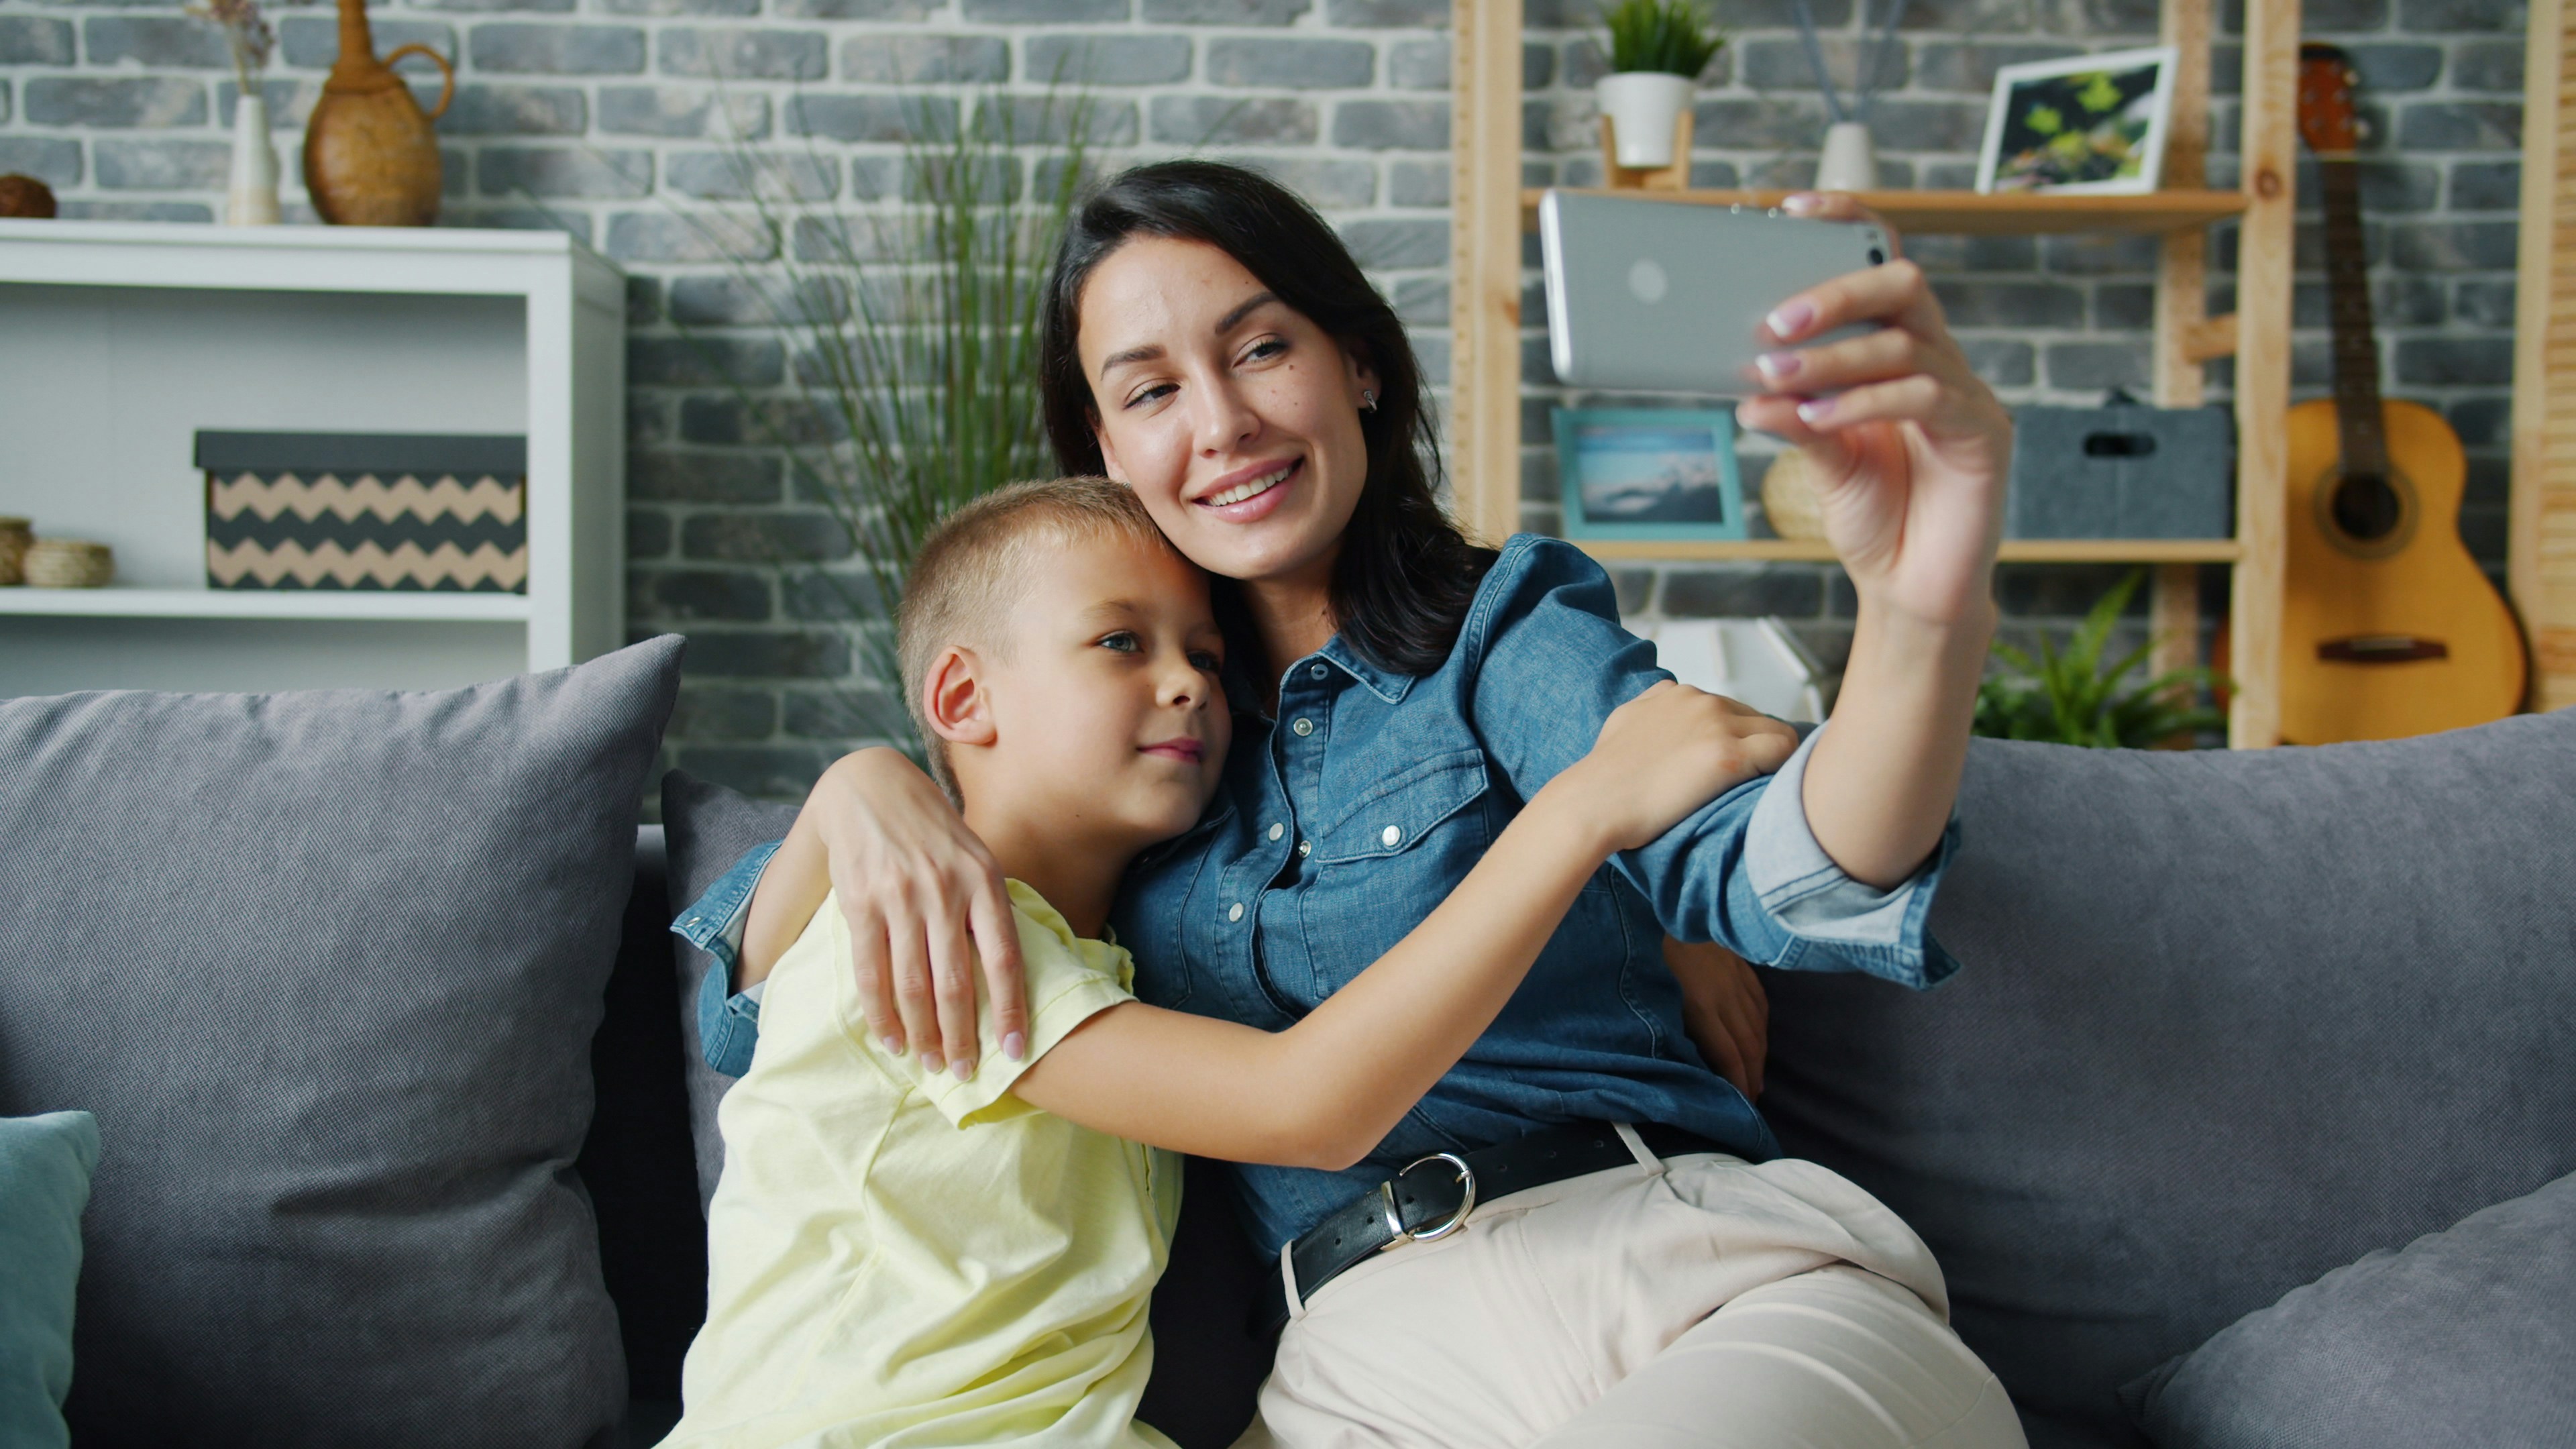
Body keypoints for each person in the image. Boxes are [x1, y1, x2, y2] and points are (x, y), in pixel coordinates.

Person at [685, 160, 2025, 1447]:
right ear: (1108, 444)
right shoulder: (1126, 782)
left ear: (1358, 365)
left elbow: (1796, 868)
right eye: (1151, 390)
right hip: (1359, 1373)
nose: (1220, 424)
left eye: (1262, 349)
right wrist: (854, 791)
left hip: (1678, 1270)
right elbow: (759, 1022)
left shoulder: (1504, 637)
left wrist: (1920, 604)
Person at [663, 477, 1790, 1448]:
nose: (1191, 681)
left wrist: (1646, 901)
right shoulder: (932, 934)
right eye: (1120, 642)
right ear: (962, 697)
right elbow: (1309, 1102)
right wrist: (1588, 809)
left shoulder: (1121, 966)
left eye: (1206, 653)